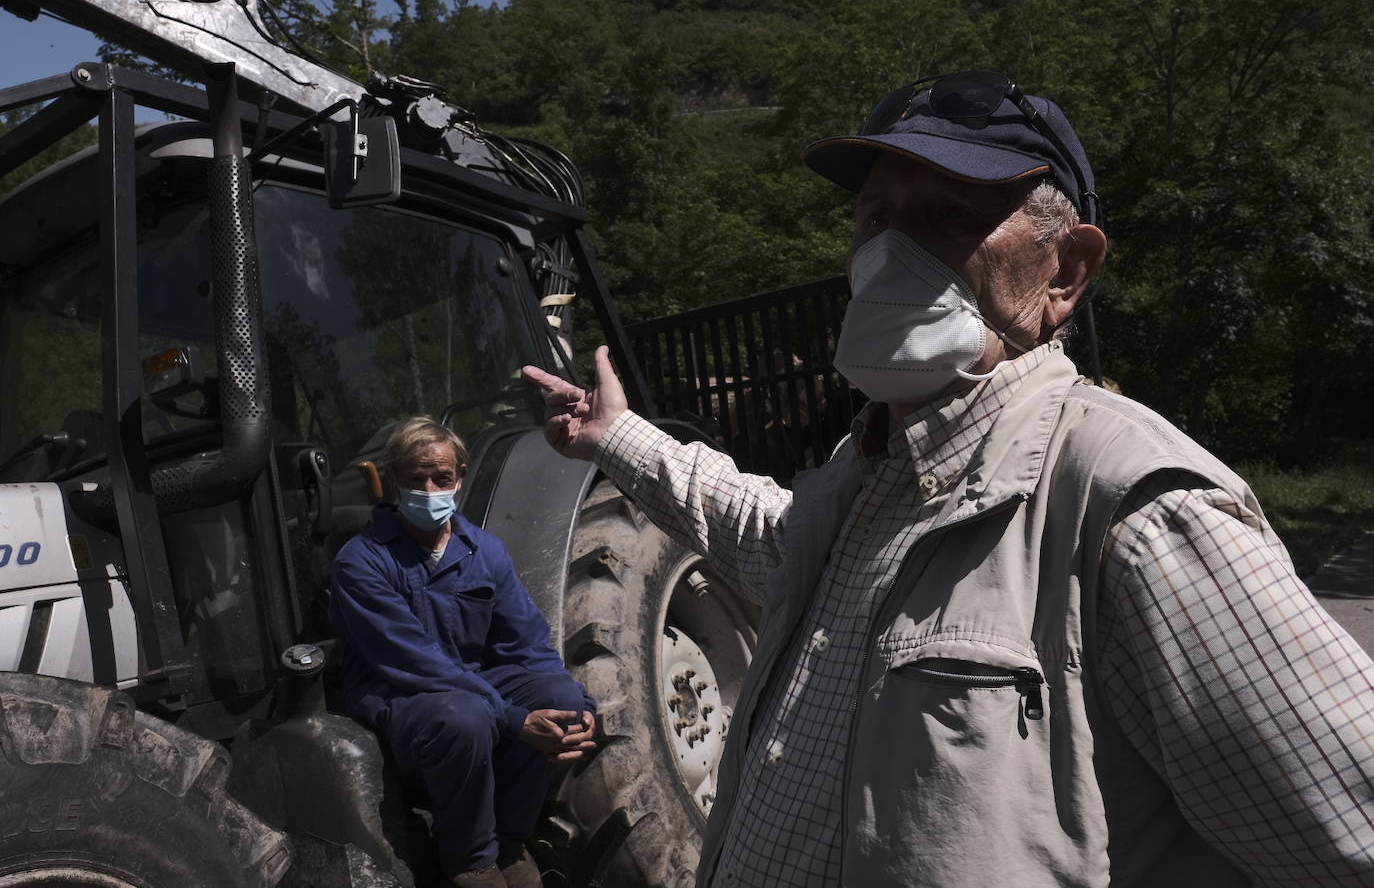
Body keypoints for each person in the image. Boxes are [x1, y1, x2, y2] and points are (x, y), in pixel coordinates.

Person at [522, 71, 1374, 887]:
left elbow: (1349, 839)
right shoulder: (861, 481)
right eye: (876, 219)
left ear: (1065, 272)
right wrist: (616, 437)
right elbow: (753, 527)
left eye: (946, 217)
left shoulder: (1133, 510)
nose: (892, 251)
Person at [330, 416, 597, 888]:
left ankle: (509, 843)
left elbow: (528, 642)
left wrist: (580, 703)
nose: (429, 489)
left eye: (441, 478)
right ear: (392, 479)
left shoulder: (484, 551)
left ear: (461, 477)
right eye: (415, 479)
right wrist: (514, 720)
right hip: (399, 691)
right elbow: (412, 661)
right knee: (465, 716)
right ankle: (471, 860)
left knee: (559, 697)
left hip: (470, 685)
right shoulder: (362, 560)